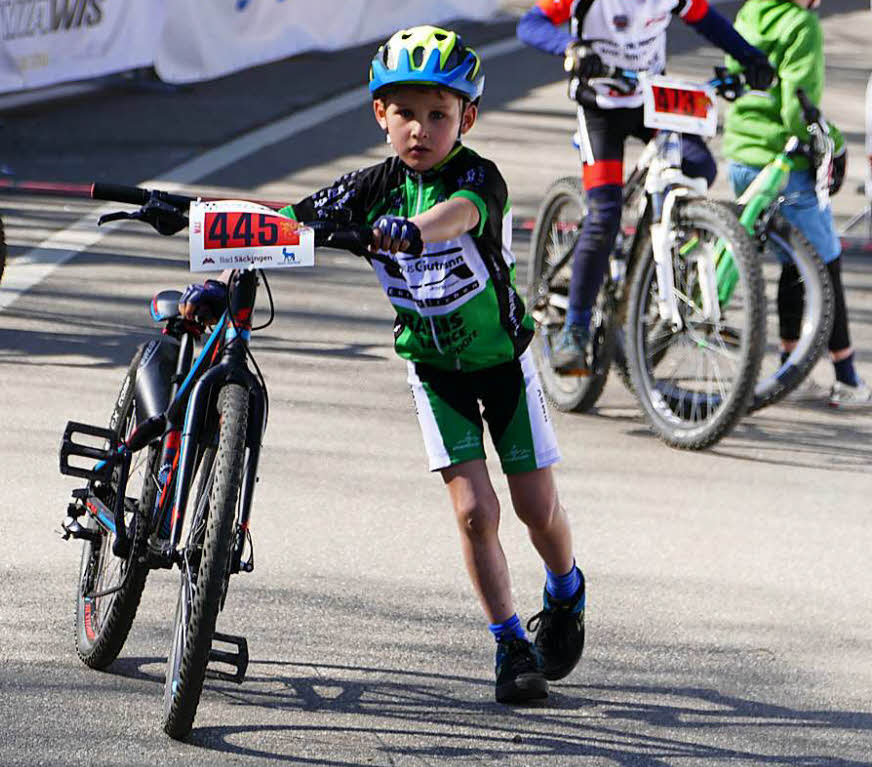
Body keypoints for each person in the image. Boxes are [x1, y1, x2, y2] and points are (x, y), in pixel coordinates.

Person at [180, 26, 584, 704]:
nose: (420, 129)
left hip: (502, 365)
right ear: (380, 115)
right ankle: (511, 642)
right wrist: (224, 275)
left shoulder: (478, 178)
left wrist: (414, 232)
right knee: (474, 512)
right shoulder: (370, 188)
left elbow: (460, 216)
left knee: (534, 506)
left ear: (468, 119)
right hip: (433, 371)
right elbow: (288, 222)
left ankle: (566, 591)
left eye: (438, 114)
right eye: (404, 114)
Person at [517, 0, 776, 375]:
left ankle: (658, 247)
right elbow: (530, 24)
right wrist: (571, 48)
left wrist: (750, 57)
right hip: (600, 108)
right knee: (604, 215)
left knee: (699, 164)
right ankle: (574, 328)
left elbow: (709, 22)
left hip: (654, 101)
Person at [723, 0, 871, 408]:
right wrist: (835, 145)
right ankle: (847, 376)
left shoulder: (750, 12)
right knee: (825, 260)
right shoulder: (801, 25)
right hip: (784, 162)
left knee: (793, 259)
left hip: (743, 156)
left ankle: (790, 362)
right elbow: (797, 110)